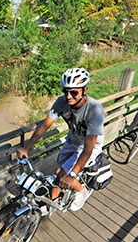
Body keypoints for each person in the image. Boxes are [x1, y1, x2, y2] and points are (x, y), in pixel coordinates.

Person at [16, 67, 105, 211]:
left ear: (85, 89)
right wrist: (27, 148)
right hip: (72, 141)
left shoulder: (95, 109)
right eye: (65, 91)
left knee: (62, 174)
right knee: (57, 174)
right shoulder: (61, 102)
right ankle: (52, 204)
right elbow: (44, 126)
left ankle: (82, 191)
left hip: (89, 146)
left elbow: (88, 148)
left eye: (74, 92)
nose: (69, 96)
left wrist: (72, 175)